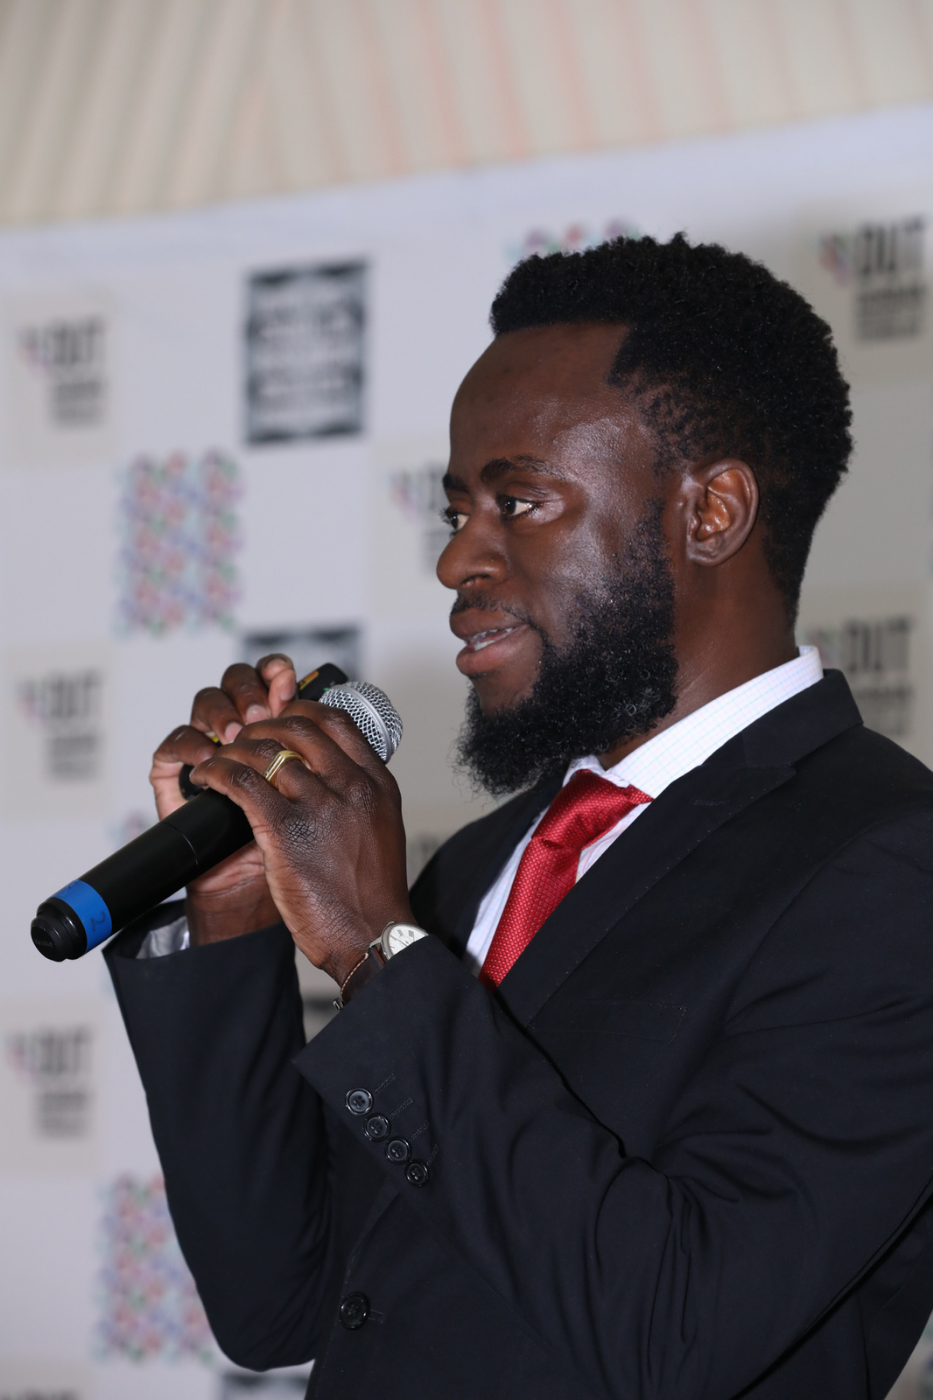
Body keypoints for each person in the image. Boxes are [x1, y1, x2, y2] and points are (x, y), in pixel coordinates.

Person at [106, 235, 933, 1400]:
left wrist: (377, 947)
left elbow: (677, 1332)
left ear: (712, 511)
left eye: (519, 500)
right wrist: (237, 917)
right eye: (457, 508)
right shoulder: (489, 864)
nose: (456, 557)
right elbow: (278, 1297)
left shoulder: (890, 865)